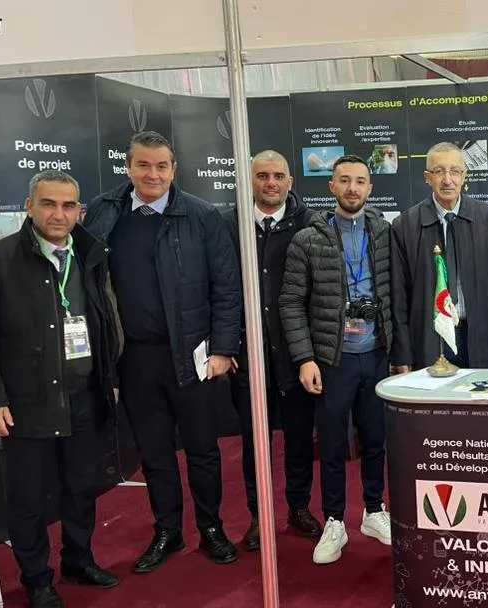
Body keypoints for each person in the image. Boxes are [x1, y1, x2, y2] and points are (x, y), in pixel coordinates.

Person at [83, 131, 242, 572]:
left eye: (161, 166)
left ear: (174, 169)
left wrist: (223, 348)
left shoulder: (202, 216)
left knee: (203, 451)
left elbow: (227, 286)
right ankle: (168, 531)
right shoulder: (105, 212)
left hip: (194, 355)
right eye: (143, 165)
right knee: (154, 453)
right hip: (134, 359)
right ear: (128, 167)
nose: (152, 174)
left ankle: (211, 528)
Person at [0, 171, 121, 608]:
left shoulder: (90, 254)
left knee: (82, 486)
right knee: (28, 499)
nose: (58, 214)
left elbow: (105, 322)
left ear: (80, 212)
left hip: (84, 397)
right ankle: (37, 579)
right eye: (49, 204)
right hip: (25, 403)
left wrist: (109, 379)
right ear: (29, 206)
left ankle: (78, 560)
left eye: (68, 206)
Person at [280, 155, 393, 564]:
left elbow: (397, 291)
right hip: (333, 357)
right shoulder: (308, 239)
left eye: (360, 181)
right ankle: (334, 520)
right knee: (331, 443)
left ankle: (374, 511)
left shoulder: (385, 232)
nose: (352, 188)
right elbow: (291, 301)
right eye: (344, 180)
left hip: (376, 353)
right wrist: (305, 358)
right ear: (331, 186)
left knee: (376, 439)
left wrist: (399, 353)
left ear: (370, 188)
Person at [222, 150, 320, 551]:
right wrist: (227, 343)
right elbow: (218, 288)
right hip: (249, 354)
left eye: (278, 176)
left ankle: (298, 507)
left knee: (299, 438)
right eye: (262, 176)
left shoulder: (311, 223)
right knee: (254, 442)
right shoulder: (228, 225)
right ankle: (259, 515)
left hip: (296, 353)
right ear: (250, 181)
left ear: (290, 182)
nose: (271, 183)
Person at [391, 142, 488, 371]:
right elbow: (398, 296)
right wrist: (402, 354)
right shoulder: (405, 226)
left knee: (477, 394)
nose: (447, 179)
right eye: (439, 171)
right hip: (429, 339)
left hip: (479, 337)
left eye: (455, 171)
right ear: (427, 177)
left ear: (464, 176)